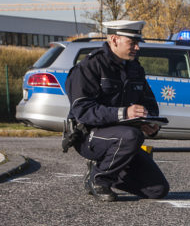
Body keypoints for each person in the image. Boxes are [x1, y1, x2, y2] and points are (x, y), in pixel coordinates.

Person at [65, 19, 169, 202]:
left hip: (123, 139)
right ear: (114, 40)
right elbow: (83, 111)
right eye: (132, 43)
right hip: (89, 135)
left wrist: (150, 122)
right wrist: (123, 113)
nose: (137, 48)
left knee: (158, 190)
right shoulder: (89, 67)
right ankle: (99, 179)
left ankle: (105, 171)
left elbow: (149, 103)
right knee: (131, 135)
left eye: (137, 43)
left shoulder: (135, 68)